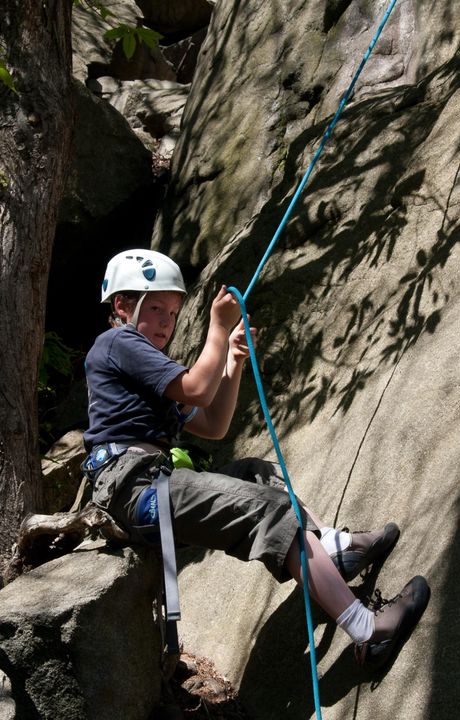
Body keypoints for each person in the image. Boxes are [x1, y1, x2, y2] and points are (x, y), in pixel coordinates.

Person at [83, 248, 430, 669]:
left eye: (173, 314)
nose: (166, 322)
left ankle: (331, 549)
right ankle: (369, 630)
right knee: (273, 510)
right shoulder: (118, 342)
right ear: (122, 304)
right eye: (156, 308)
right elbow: (195, 388)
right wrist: (216, 327)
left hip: (150, 483)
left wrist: (232, 360)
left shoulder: (142, 369)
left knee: (257, 473)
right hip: (135, 487)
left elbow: (213, 424)